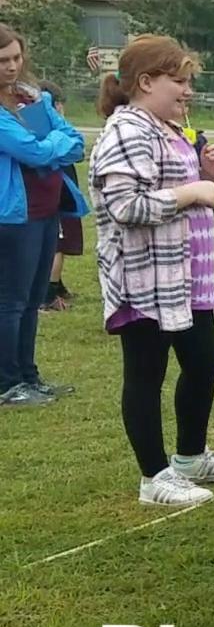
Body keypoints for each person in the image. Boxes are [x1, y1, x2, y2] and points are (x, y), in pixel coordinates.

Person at [92, 35, 214, 507]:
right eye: (179, 81)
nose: (188, 92)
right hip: (146, 280)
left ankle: (190, 457)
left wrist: (206, 174)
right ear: (145, 82)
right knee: (146, 372)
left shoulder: (164, 127)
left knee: (204, 361)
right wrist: (190, 193)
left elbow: (172, 186)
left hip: (184, 280)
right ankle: (154, 477)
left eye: (189, 82)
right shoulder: (128, 130)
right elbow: (125, 206)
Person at [0, 26, 87, 406]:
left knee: (34, 298)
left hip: (46, 211)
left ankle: (29, 376)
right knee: (11, 302)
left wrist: (47, 144)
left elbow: (75, 141)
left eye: (17, 58)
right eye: (3, 61)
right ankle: (7, 383)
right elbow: (34, 152)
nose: (12, 67)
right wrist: (51, 145)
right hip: (13, 217)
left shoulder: (31, 98)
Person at [35, 77, 85, 313]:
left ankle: (57, 285)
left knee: (55, 243)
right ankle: (48, 295)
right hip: (58, 198)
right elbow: (74, 149)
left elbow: (77, 148)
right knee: (58, 245)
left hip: (55, 198)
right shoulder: (48, 131)